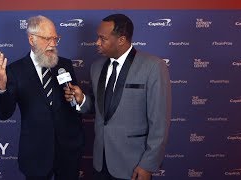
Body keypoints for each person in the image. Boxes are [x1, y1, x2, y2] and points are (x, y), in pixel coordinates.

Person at [64, 14, 171, 180]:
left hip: (134, 165)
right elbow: (100, 107)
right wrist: (82, 99)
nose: (97, 42)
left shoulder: (153, 66)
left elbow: (159, 122)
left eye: (102, 38)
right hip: (100, 162)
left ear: (121, 40)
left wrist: (148, 165)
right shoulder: (96, 67)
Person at [0, 15, 84, 180]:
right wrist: (1, 86)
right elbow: (4, 113)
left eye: (56, 38)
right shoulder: (15, 71)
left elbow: (76, 105)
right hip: (35, 154)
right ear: (31, 40)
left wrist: (78, 100)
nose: (53, 44)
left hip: (68, 153)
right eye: (48, 39)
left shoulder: (65, 65)